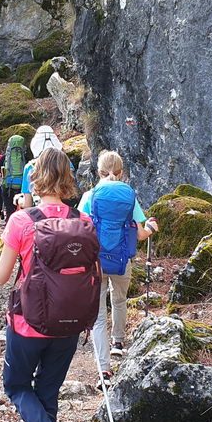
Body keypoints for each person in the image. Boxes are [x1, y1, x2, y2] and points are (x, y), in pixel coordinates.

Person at [0, 148, 101, 422]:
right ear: (68, 177)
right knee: (47, 391)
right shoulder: (84, 221)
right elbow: (94, 273)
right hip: (69, 323)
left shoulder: (22, 221)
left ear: (36, 176)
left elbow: (2, 276)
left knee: (16, 386)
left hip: (28, 322)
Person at [78, 150, 158, 381]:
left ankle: (103, 367)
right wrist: (151, 227)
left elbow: (79, 229)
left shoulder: (90, 196)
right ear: (122, 173)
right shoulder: (129, 197)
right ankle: (118, 342)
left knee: (99, 314)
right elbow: (140, 234)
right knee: (119, 300)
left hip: (96, 261)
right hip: (122, 260)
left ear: (98, 172)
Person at [19, 126, 77, 209]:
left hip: (40, 213)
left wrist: (18, 200)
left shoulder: (30, 167)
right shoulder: (67, 164)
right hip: (67, 211)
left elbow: (27, 204)